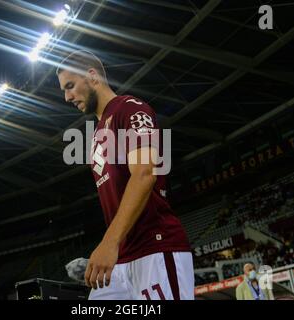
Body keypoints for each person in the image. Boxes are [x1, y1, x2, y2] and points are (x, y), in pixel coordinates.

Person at [56, 50, 193, 300]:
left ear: (92, 76)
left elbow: (144, 173)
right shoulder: (97, 135)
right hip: (120, 262)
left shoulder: (130, 109)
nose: (67, 97)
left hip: (155, 250)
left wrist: (110, 243)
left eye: (70, 86)